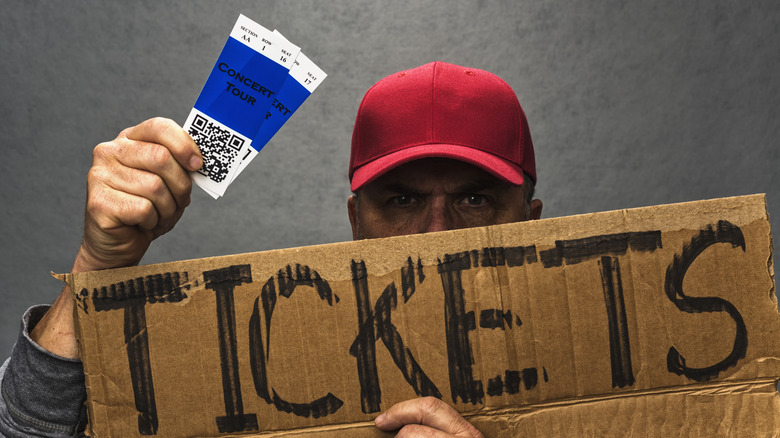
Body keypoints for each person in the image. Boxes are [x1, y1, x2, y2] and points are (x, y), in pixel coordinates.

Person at [0, 61, 542, 437]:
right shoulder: (283, 363)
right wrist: (100, 265)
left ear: (534, 224)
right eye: (402, 200)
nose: (434, 234)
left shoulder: (609, 356)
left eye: (475, 199)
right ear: (356, 223)